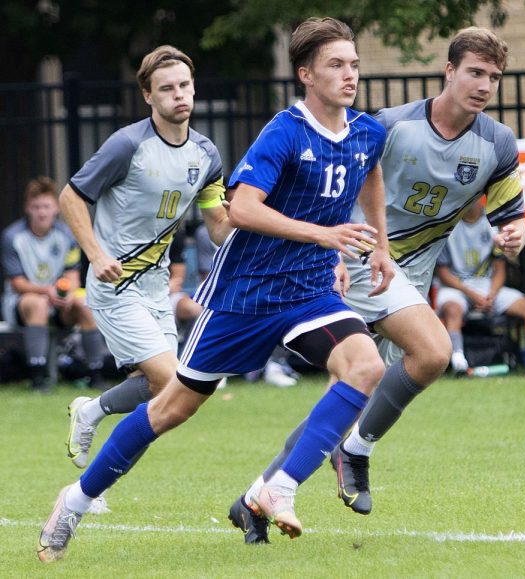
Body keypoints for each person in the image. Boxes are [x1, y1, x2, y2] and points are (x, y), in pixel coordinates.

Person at [38, 17, 392, 562]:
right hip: (244, 296)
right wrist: (325, 233)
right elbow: (244, 210)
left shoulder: (366, 131)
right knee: (170, 407)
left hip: (309, 291)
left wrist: (379, 245)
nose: (350, 75)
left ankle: (276, 488)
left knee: (366, 366)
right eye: (336, 65)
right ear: (305, 74)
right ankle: (78, 498)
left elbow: (368, 172)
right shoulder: (283, 131)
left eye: (354, 64)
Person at [227, 26, 525, 544]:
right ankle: (355, 453)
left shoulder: (498, 144)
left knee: (343, 400)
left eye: (494, 77)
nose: (483, 85)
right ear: (449, 71)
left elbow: (509, 215)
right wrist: (332, 251)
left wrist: (514, 232)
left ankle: (259, 497)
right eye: (474, 72)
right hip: (355, 265)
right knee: (433, 352)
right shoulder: (390, 125)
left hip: (404, 275)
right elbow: (338, 185)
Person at [57, 45, 231, 471]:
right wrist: (95, 256)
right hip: (115, 287)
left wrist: (263, 219)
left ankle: (91, 412)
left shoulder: (206, 154)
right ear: (148, 96)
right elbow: (71, 197)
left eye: (185, 85)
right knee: (174, 383)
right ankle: (90, 481)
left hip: (156, 289)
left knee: (160, 391)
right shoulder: (127, 144)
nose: (179, 95)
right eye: (167, 88)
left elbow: (218, 226)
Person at [1, 177, 107, 393]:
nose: (41, 212)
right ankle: (38, 378)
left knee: (85, 303)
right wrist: (46, 291)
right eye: (36, 207)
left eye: (46, 206)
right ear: (27, 208)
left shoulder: (67, 236)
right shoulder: (12, 237)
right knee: (38, 303)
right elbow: (18, 283)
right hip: (22, 302)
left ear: (56, 208)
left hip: (58, 300)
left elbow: (73, 274)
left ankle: (96, 375)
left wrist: (67, 294)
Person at [435, 201, 525, 376]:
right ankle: (459, 363)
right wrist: (472, 294)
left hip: (487, 287)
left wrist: (491, 295)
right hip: (456, 287)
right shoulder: (447, 225)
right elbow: (443, 274)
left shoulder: (492, 224)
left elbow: (500, 269)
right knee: (452, 310)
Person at [169, 223, 299, 387]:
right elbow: (207, 276)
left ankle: (274, 366)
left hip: (256, 289)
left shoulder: (269, 227)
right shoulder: (205, 232)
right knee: (206, 307)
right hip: (219, 290)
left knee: (277, 304)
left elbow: (177, 277)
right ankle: (207, 366)